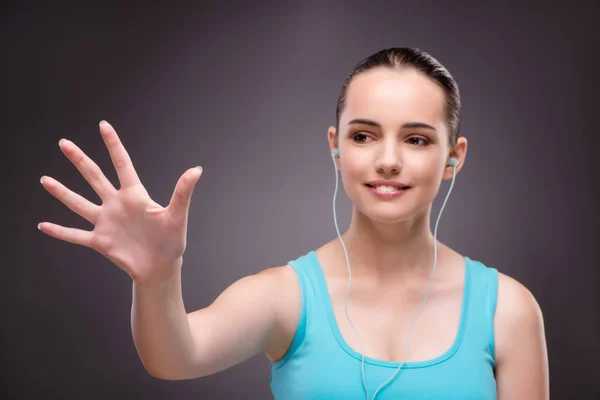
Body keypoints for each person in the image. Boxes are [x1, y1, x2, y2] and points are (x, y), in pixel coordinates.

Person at [38, 47, 549, 399]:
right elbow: (174, 356)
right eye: (364, 136)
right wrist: (156, 277)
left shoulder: (509, 309)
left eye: (416, 139)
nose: (388, 160)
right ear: (335, 146)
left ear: (453, 157)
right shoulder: (285, 296)